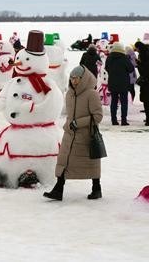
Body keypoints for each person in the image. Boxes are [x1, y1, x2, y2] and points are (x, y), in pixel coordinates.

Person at [43, 65, 104, 201]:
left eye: (77, 78)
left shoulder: (91, 94)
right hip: (69, 134)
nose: (73, 81)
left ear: (83, 79)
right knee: (63, 161)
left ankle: (96, 188)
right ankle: (58, 189)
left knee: (91, 162)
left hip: (86, 136)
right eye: (72, 78)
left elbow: (98, 116)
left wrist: (79, 123)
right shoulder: (69, 94)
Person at [105, 42, 134, 125]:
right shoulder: (124, 58)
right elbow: (131, 69)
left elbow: (106, 68)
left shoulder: (109, 58)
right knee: (124, 102)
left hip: (112, 82)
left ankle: (113, 120)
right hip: (123, 83)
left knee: (113, 102)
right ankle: (123, 120)